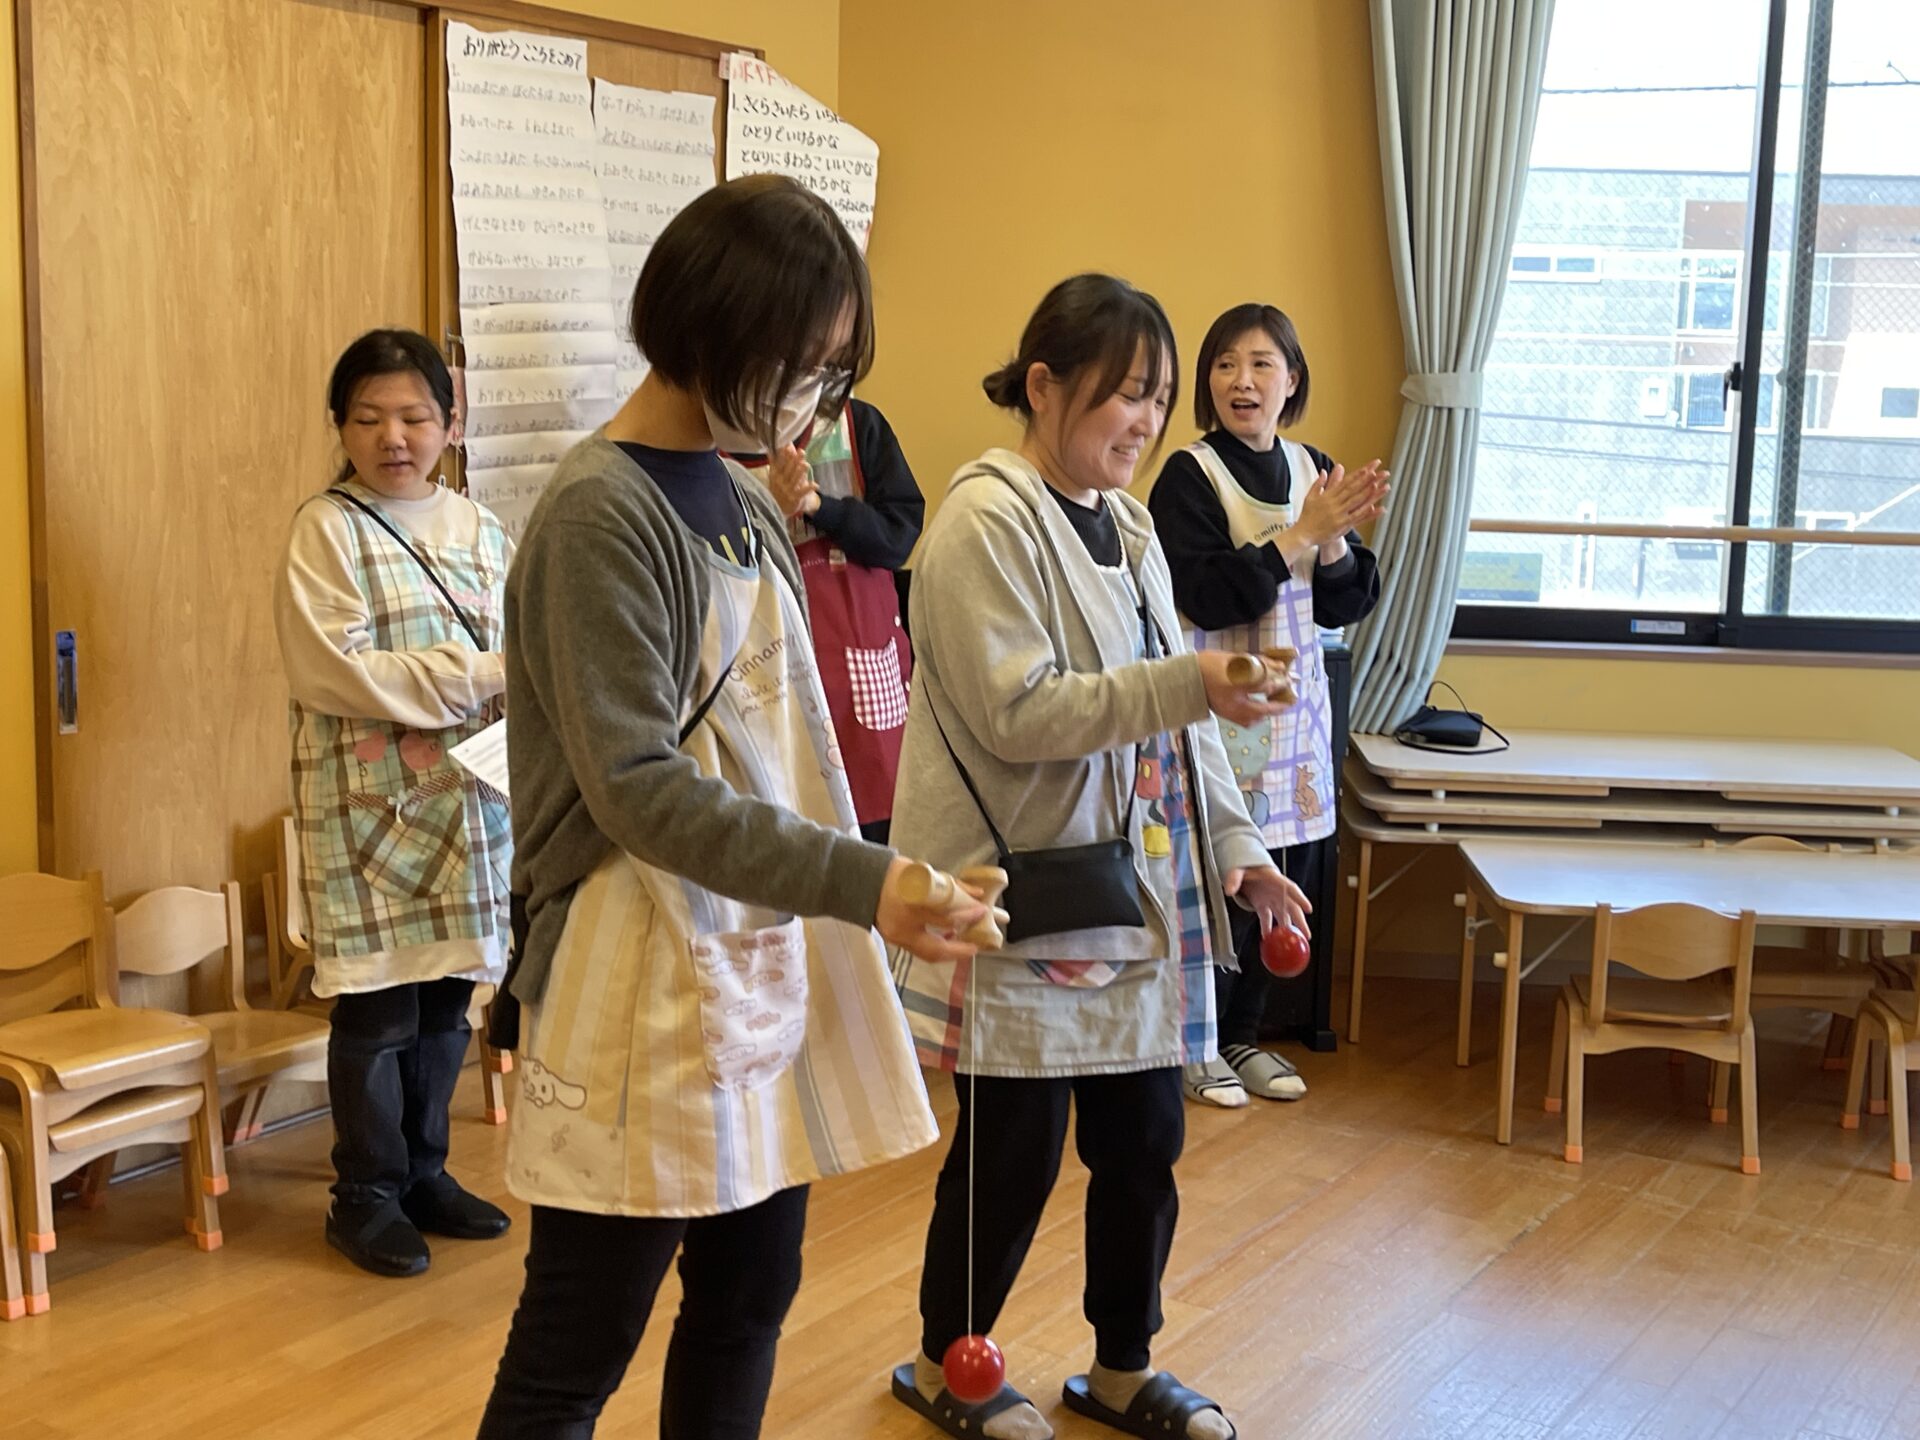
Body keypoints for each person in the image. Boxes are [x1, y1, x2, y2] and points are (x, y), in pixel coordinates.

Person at [476, 174, 990, 1439]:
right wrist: (868, 882)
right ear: (710, 331)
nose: (812, 397)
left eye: (829, 369)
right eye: (798, 364)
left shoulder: (747, 498)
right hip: (627, 974)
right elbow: (640, 788)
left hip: (748, 952)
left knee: (748, 1297)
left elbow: (787, 750)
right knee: (577, 1343)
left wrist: (893, 871)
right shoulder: (600, 512)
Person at [889, 274, 1312, 1440]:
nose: (1146, 420)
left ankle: (1123, 1367)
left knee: (1145, 1144)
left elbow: (1186, 719)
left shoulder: (1128, 527)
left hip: (1133, 890)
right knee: (1011, 1157)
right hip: (1016, 894)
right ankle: (946, 1362)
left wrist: (1240, 847)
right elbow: (1020, 713)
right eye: (1127, 394)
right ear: (1043, 385)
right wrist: (1189, 684)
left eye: (1158, 397)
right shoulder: (983, 522)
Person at [273, 328, 515, 1279]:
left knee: (450, 1002)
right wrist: (480, 674)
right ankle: (363, 1196)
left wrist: (504, 680)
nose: (394, 437)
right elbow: (336, 672)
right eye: (369, 417)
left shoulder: (483, 530)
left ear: (451, 423)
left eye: (415, 416)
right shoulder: (326, 529)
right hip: (368, 810)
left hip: (469, 804)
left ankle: (424, 1174)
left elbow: (525, 651)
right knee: (377, 1011)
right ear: (340, 426)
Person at [1149, 304, 1386, 1109]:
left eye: (1260, 364)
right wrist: (1298, 535)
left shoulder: (1312, 467)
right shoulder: (1189, 475)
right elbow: (1205, 593)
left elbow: (1345, 603)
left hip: (1296, 715)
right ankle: (1194, 1043)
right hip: (1220, 708)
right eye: (1224, 364)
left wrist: (1334, 538)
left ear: (1292, 381)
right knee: (1218, 873)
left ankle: (1244, 1035)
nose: (1241, 380)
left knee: (1280, 874)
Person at [727, 396, 924, 843]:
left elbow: (898, 536)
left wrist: (820, 506)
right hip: (766, 676)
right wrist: (772, 510)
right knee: (789, 825)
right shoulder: (715, 444)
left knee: (882, 838)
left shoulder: (857, 423)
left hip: (863, 682)